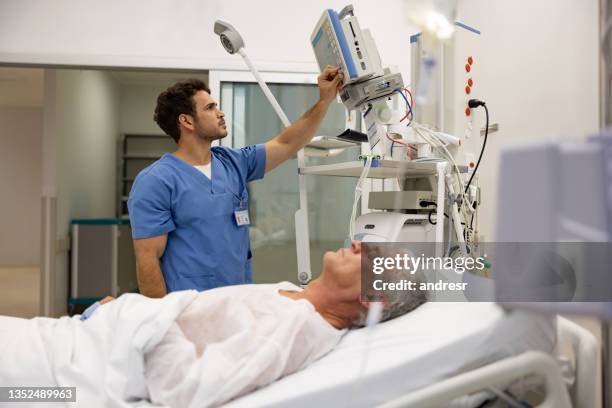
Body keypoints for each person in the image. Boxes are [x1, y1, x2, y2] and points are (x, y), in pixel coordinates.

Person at [128, 66, 343, 297]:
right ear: (186, 121)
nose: (220, 113)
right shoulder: (156, 181)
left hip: (238, 299)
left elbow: (287, 143)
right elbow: (148, 260)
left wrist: (324, 101)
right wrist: (161, 320)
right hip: (190, 307)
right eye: (210, 108)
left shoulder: (233, 162)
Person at [143, 241, 428, 407]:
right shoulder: (291, 295)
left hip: (127, 344)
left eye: (372, 255)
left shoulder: (294, 327)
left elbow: (183, 388)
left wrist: (142, 319)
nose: (357, 243)